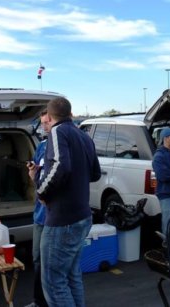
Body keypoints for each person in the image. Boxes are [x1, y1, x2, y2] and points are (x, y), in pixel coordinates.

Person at [37, 97, 101, 307]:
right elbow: (95, 173)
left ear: (50, 115)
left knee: (54, 282)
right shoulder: (84, 136)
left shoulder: (58, 131)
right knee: (72, 276)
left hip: (62, 219)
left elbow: (61, 166)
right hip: (82, 215)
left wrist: (42, 191)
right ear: (70, 112)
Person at [25, 110, 51, 307]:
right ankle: (38, 300)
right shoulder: (42, 146)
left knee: (51, 263)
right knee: (37, 259)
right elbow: (37, 173)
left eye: (47, 122)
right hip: (39, 215)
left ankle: (50, 301)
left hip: (55, 216)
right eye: (42, 123)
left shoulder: (62, 148)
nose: (45, 126)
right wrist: (33, 170)